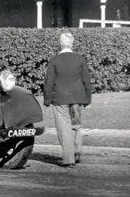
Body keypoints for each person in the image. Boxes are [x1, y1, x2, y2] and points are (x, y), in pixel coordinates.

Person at [44, 32, 92, 167]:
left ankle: (69, 158)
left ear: (61, 43)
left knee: (64, 128)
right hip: (78, 97)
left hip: (59, 98)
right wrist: (87, 100)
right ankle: (76, 153)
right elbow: (86, 81)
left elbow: (48, 82)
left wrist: (47, 100)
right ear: (72, 43)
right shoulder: (80, 59)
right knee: (76, 125)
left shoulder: (54, 60)